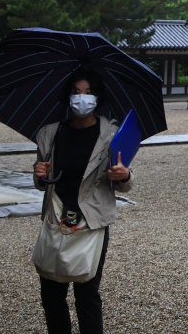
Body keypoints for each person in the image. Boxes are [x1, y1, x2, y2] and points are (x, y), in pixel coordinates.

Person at [33, 73, 131, 334]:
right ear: (68, 96)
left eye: (88, 92)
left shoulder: (111, 135)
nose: (81, 98)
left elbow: (125, 180)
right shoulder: (50, 133)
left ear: (97, 98)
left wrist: (124, 175)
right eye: (76, 92)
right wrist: (40, 175)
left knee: (87, 293)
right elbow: (42, 181)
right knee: (51, 291)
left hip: (92, 218)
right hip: (57, 215)